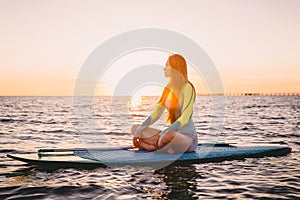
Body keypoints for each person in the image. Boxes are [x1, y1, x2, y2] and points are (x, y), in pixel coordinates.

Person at [131, 54, 198, 154]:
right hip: (168, 136)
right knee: (135, 128)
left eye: (167, 65)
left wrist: (162, 134)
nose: (164, 68)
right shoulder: (168, 89)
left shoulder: (188, 87)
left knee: (169, 135)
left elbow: (185, 118)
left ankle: (150, 147)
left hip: (187, 137)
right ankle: (163, 146)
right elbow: (156, 114)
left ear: (175, 68)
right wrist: (140, 129)